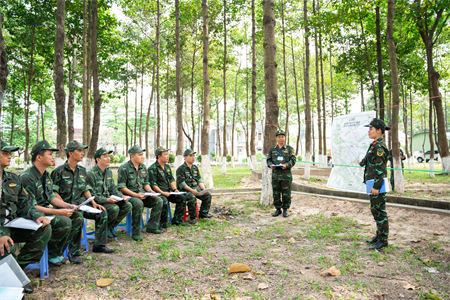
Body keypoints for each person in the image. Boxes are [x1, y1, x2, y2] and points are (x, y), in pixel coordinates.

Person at [20, 140, 84, 267]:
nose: (52, 157)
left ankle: (56, 252)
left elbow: (51, 197)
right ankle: (51, 254)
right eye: (49, 154)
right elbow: (31, 206)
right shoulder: (27, 177)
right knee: (64, 221)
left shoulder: (46, 175)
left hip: (46, 210)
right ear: (39, 157)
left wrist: (66, 205)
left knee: (76, 216)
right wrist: (58, 212)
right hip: (32, 215)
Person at [0, 140, 51, 294]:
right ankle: (13, 279)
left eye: (10, 153)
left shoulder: (13, 179)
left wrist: (37, 216)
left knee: (44, 229)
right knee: (5, 244)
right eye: (5, 153)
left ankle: (17, 270)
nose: (10, 156)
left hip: (13, 225)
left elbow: (26, 203)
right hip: (2, 230)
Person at [51, 140, 114, 259]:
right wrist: (65, 206)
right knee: (78, 217)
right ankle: (73, 252)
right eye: (79, 151)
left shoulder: (82, 171)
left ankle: (99, 245)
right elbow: (54, 192)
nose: (82, 153)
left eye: (82, 151)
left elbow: (85, 188)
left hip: (80, 205)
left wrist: (94, 203)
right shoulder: (58, 172)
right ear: (70, 153)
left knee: (102, 212)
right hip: (64, 207)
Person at [117, 145, 163, 239]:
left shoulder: (143, 167)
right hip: (130, 196)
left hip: (142, 194)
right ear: (132, 156)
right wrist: (136, 195)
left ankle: (152, 226)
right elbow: (121, 187)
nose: (142, 157)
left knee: (158, 200)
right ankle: (136, 232)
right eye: (140, 155)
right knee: (138, 203)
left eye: (143, 155)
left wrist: (150, 191)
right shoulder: (124, 168)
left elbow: (145, 182)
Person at [86, 148, 133, 239]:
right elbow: (91, 195)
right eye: (105, 156)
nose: (109, 158)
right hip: (96, 203)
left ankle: (109, 227)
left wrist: (121, 196)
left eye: (108, 156)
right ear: (98, 159)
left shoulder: (108, 172)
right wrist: (107, 200)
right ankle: (106, 230)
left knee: (127, 205)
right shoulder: (91, 174)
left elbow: (113, 189)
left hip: (109, 200)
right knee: (114, 208)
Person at [359, 118, 390, 250]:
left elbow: (380, 169)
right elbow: (368, 159)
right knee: (375, 210)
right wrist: (361, 163)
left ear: (379, 130)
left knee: (379, 211)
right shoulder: (374, 144)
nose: (368, 131)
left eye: (371, 129)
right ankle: (379, 235)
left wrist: (376, 187)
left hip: (377, 185)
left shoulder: (379, 147)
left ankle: (383, 240)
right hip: (372, 183)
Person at [148, 147, 194, 227]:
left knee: (182, 198)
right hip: (159, 193)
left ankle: (177, 220)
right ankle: (163, 224)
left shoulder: (167, 167)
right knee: (164, 201)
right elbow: (153, 185)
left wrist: (175, 190)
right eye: (165, 154)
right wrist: (163, 193)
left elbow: (172, 180)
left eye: (167, 154)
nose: (168, 156)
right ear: (159, 156)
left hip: (169, 192)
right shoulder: (152, 168)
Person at [176, 149, 213, 223]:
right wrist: (192, 191)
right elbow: (182, 184)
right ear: (185, 157)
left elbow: (199, 180)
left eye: (193, 156)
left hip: (196, 188)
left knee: (208, 195)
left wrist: (203, 189)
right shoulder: (180, 169)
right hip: (185, 190)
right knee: (191, 197)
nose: (193, 157)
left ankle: (203, 213)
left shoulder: (195, 168)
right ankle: (192, 217)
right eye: (190, 156)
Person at [267, 129, 296, 218]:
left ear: (285, 138)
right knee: (276, 193)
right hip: (275, 175)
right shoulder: (273, 149)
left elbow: (293, 160)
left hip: (286, 175)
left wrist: (286, 165)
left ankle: (285, 209)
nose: (281, 139)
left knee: (286, 193)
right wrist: (270, 165)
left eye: (282, 137)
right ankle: (278, 209)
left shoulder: (289, 149)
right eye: (279, 137)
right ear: (276, 138)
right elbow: (269, 160)